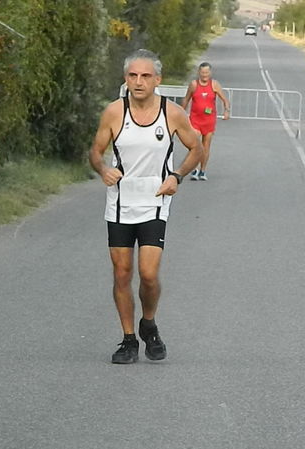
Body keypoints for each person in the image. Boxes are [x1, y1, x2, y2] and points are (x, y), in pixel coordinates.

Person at [89, 49, 202, 364]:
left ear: (158, 79)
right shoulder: (114, 112)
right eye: (133, 76)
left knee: (148, 274)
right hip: (121, 203)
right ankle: (128, 340)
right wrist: (103, 169)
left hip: (155, 201)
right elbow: (96, 151)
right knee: (122, 273)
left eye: (145, 76)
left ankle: (148, 322)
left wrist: (177, 176)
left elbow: (196, 147)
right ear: (126, 79)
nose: (138, 82)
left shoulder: (172, 113)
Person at [181, 62, 230, 181]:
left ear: (210, 73)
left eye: (207, 72)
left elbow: (225, 100)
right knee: (195, 144)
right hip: (195, 120)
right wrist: (180, 114)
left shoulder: (214, 85)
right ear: (199, 72)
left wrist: (226, 111)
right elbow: (186, 100)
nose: (204, 75)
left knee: (206, 146)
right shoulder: (193, 84)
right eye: (202, 72)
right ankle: (194, 169)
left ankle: (202, 171)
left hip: (209, 120)